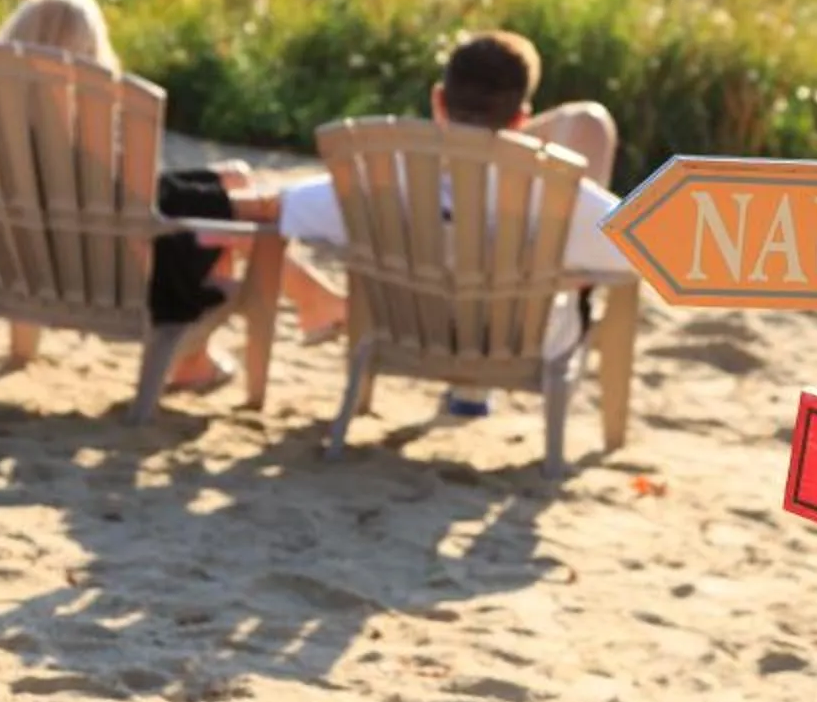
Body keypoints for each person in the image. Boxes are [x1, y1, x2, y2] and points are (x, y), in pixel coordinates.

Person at [0, 0, 334, 398]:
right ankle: (278, 318)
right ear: (88, 49)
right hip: (113, 279)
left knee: (230, 185)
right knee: (236, 212)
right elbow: (125, 209)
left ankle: (299, 307)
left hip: (23, 266)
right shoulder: (87, 119)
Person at [260, 29, 624, 416]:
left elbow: (266, 212)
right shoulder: (555, 196)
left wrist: (311, 294)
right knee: (575, 258)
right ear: (522, 118)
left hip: (401, 329)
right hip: (521, 342)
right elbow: (649, 253)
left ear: (438, 100)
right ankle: (477, 388)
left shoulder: (381, 180)